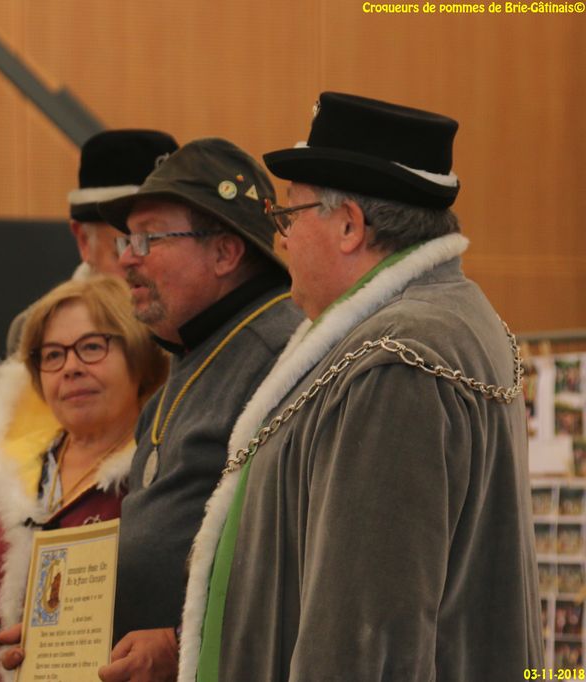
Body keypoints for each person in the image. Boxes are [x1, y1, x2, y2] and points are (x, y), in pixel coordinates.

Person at [178, 92, 544, 681]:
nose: (281, 241)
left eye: (288, 217)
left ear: (349, 225)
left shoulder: (397, 362)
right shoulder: (438, 319)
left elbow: (367, 635)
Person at [90, 138, 304, 681]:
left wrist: (180, 642)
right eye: (127, 239)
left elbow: (295, 556)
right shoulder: (192, 349)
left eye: (150, 238)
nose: (127, 258)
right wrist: (62, 635)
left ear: (225, 253)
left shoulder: (280, 357)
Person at [0, 275, 168, 681]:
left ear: (138, 355)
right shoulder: (10, 476)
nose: (70, 368)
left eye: (91, 347)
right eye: (52, 355)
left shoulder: (161, 474)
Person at [5, 129, 178, 355]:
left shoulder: (208, 331)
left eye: (160, 245)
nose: (147, 266)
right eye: (126, 247)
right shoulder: (38, 333)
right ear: (84, 241)